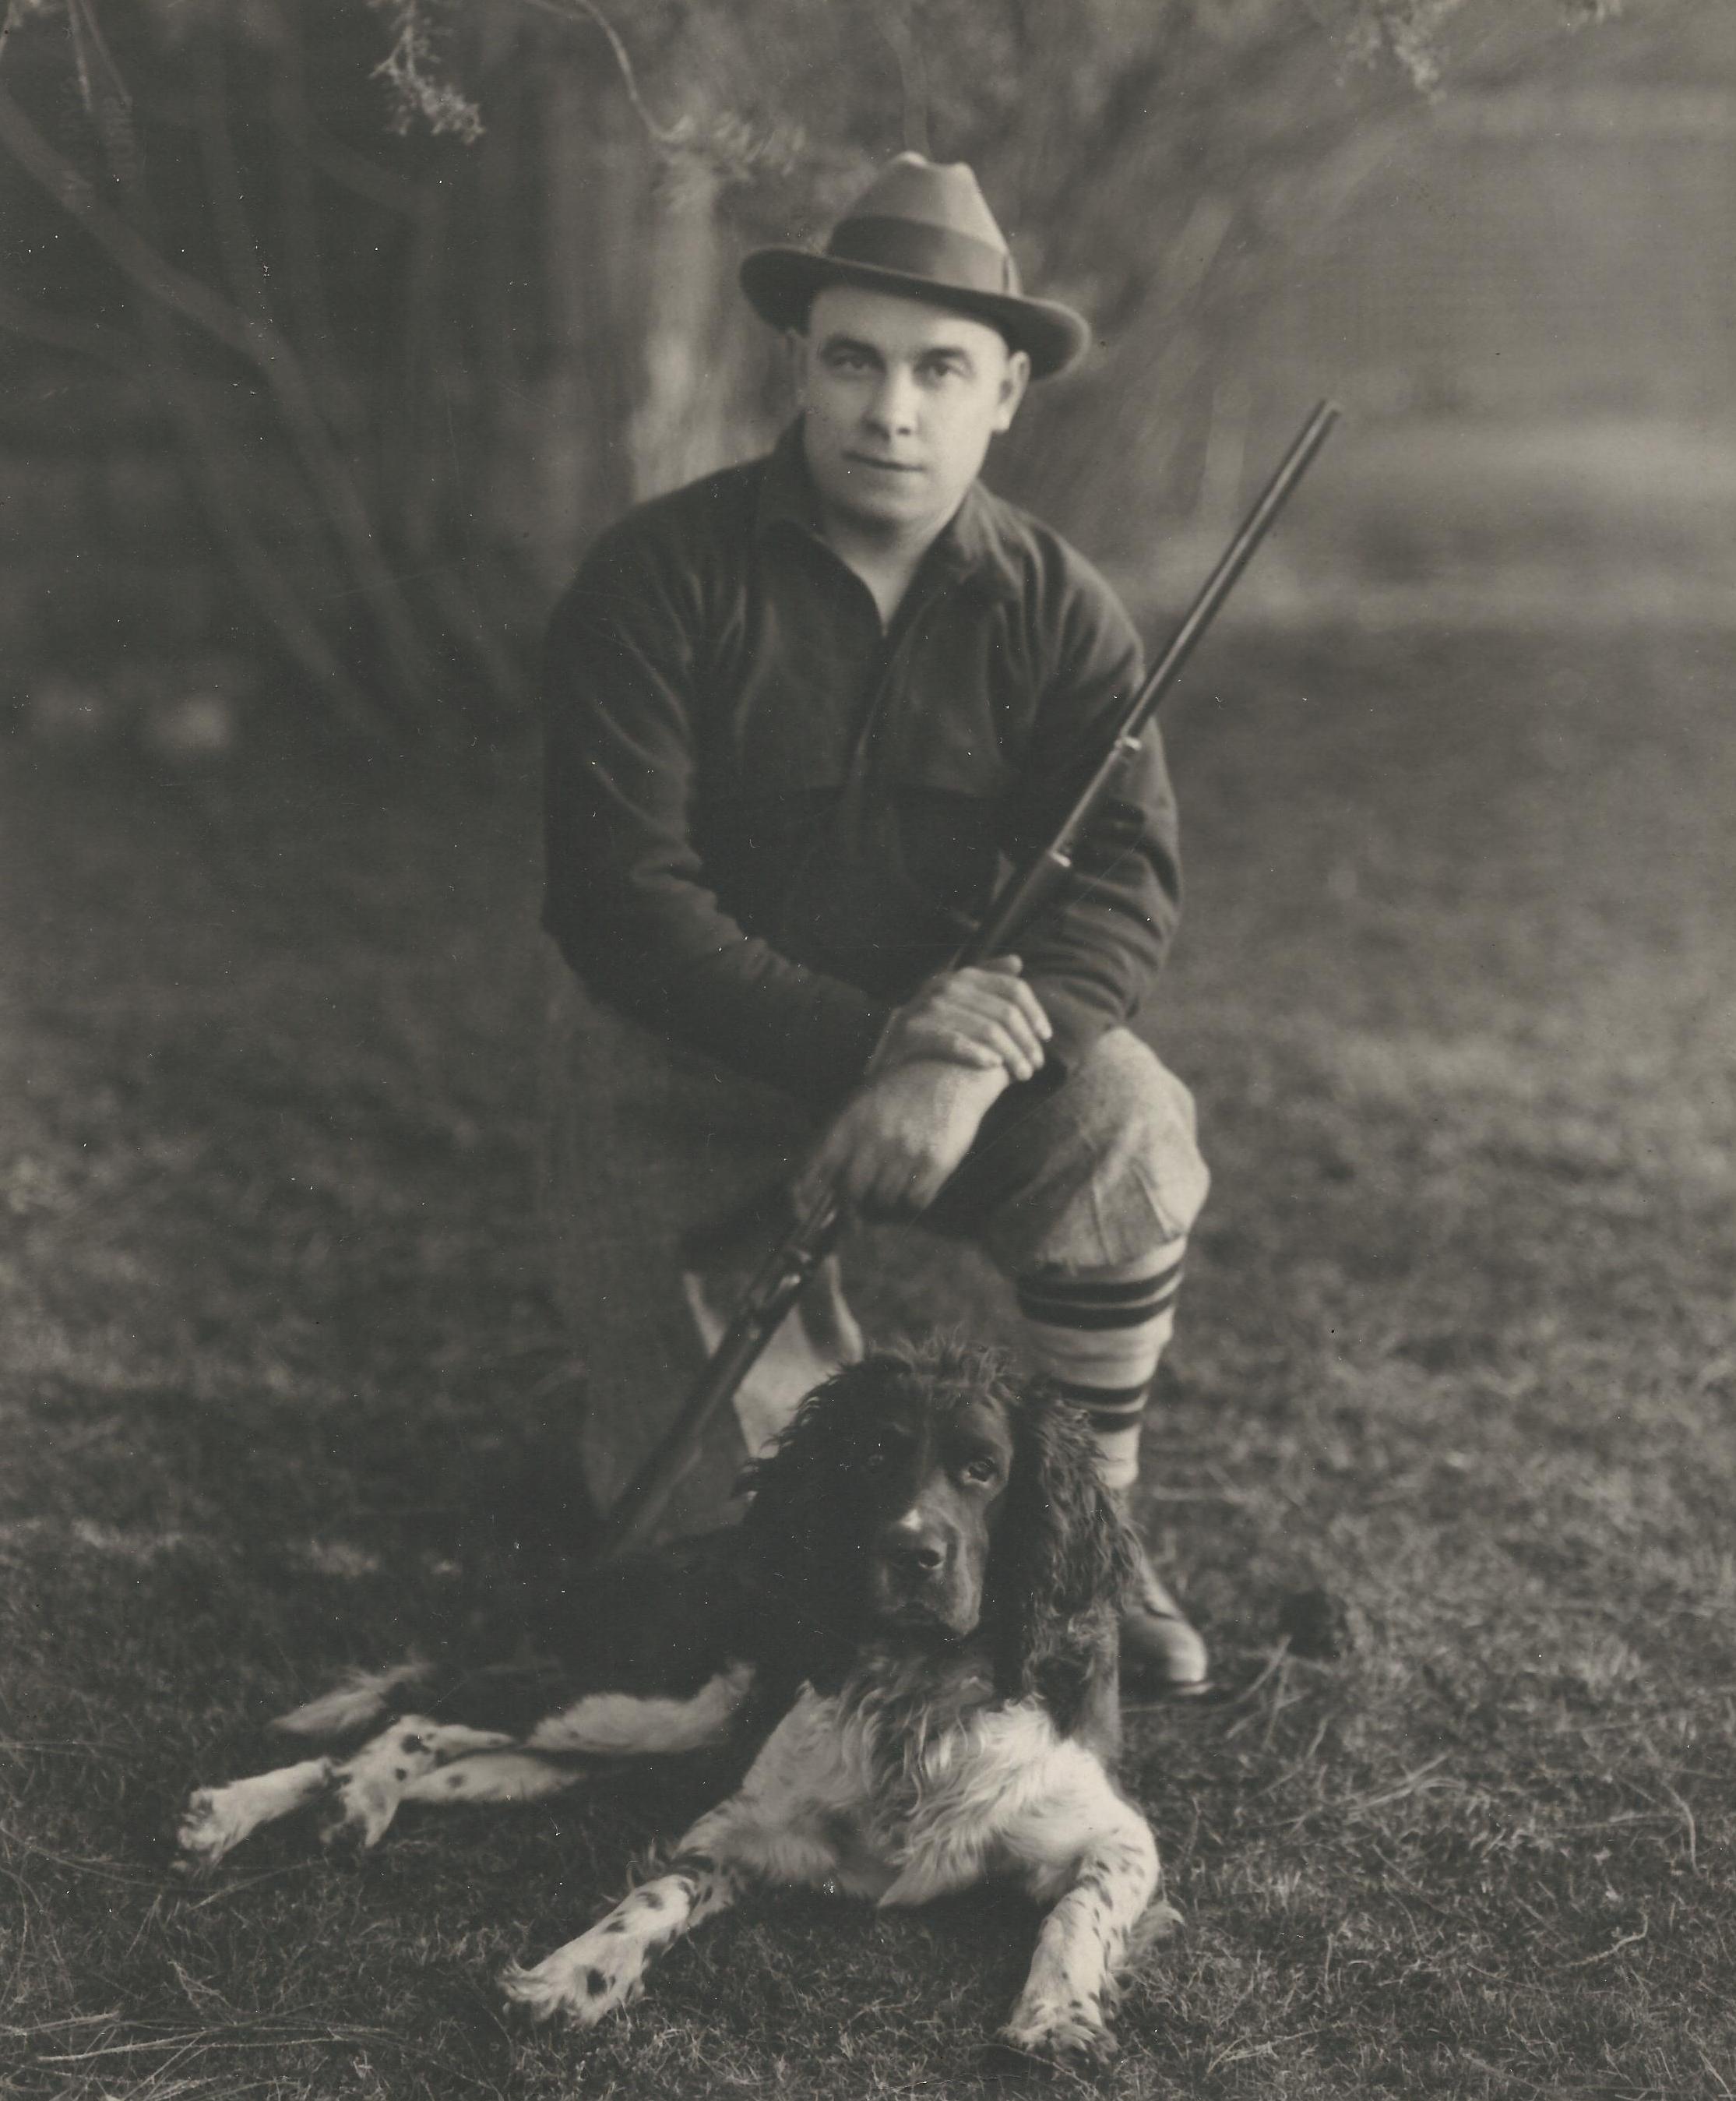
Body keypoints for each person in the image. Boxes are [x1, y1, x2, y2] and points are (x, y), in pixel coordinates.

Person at [540, 153, 1212, 1693]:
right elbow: (618, 900)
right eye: (851, 359)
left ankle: (1090, 1529)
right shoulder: (657, 577)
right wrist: (873, 1043)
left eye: (937, 369)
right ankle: (682, 1378)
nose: (888, 409)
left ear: (1007, 394)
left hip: (940, 1072)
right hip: (677, 1069)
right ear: (798, 363)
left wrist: (955, 1071)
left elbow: (1122, 877)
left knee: (1125, 1117)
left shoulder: (1059, 609)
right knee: (729, 1559)